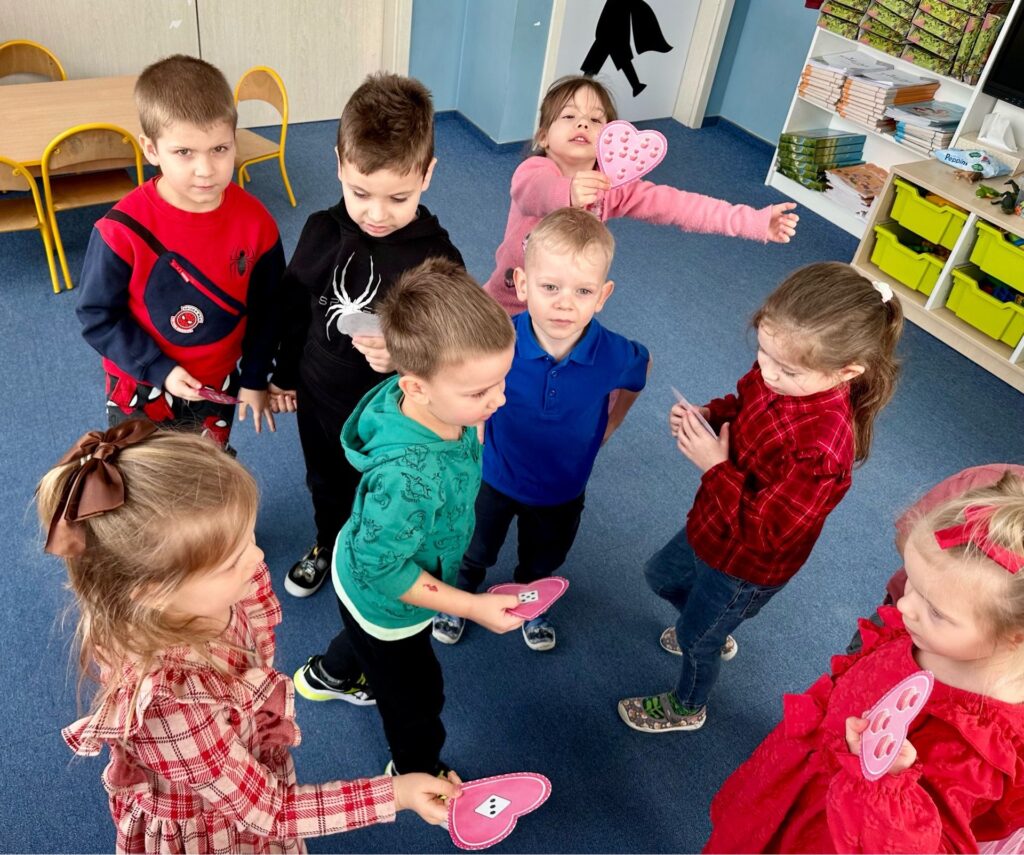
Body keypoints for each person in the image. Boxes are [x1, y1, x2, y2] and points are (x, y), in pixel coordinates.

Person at [43, 423, 459, 854]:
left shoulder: (216, 592)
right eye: (231, 560)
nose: (258, 557)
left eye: (251, 537)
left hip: (241, 766)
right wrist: (396, 794)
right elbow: (270, 811)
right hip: (216, 827)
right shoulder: (169, 704)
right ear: (154, 591)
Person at [618, 263, 904, 732]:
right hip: (712, 522)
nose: (767, 372)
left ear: (847, 372)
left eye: (786, 370)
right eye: (762, 354)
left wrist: (714, 466)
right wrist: (710, 415)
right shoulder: (779, 369)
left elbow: (767, 532)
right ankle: (714, 627)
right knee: (660, 577)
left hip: (745, 564)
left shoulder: (824, 448)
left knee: (696, 642)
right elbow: (743, 403)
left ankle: (687, 705)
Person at [704, 473, 1024, 853]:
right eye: (912, 582)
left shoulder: (980, 745)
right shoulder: (921, 631)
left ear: (1014, 636)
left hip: (837, 830)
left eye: (936, 611)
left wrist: (891, 783)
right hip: (801, 773)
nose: (904, 606)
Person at [292, 259, 524, 776]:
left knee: (361, 638)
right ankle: (416, 772)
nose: (500, 399)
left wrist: (472, 413)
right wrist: (472, 606)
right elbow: (385, 571)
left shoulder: (429, 402)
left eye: (501, 381)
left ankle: (330, 674)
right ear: (417, 387)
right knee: (417, 699)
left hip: (364, 567)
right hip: (388, 598)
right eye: (479, 393)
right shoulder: (408, 480)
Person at [268, 73, 464, 598]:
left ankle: (379, 562)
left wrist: (403, 358)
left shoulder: (438, 257)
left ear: (427, 174)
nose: (377, 214)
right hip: (319, 392)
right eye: (360, 193)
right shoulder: (321, 231)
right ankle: (328, 543)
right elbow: (293, 309)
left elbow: (453, 350)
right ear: (339, 165)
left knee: (386, 492)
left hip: (393, 412)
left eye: (398, 197)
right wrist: (281, 375)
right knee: (324, 478)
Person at [432, 208, 650, 651]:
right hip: (493, 476)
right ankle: (460, 598)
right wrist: (476, 422)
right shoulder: (499, 341)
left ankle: (534, 603)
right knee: (473, 549)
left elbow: (638, 374)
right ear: (523, 283)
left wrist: (614, 420)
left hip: (562, 489)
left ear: (603, 295)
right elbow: (467, 384)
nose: (565, 303)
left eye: (583, 290)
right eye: (550, 287)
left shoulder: (615, 354)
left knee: (542, 559)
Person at [76, 55, 285, 449]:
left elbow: (269, 310)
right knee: (144, 474)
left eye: (219, 148)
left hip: (216, 382)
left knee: (207, 465)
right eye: (184, 152)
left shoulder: (258, 224)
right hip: (141, 383)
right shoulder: (119, 231)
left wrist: (255, 377)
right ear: (151, 149)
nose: (206, 169)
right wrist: (159, 368)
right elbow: (97, 316)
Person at [482, 74, 800, 316]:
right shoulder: (534, 170)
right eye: (569, 116)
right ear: (543, 137)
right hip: (510, 297)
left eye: (595, 120)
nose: (583, 123)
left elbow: (680, 206)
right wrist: (568, 191)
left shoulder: (612, 187)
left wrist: (754, 222)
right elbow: (533, 191)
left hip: (568, 304)